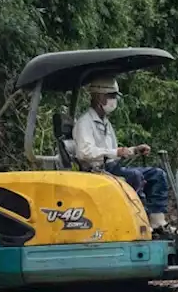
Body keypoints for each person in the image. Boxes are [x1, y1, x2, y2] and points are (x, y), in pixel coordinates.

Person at [71, 76, 171, 232]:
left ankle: (157, 221)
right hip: (96, 172)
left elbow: (114, 152)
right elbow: (85, 152)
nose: (113, 101)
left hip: (111, 168)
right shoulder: (85, 123)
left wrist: (134, 150)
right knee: (135, 176)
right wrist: (115, 152)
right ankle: (138, 221)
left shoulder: (105, 123)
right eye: (110, 96)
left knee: (157, 175)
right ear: (98, 96)